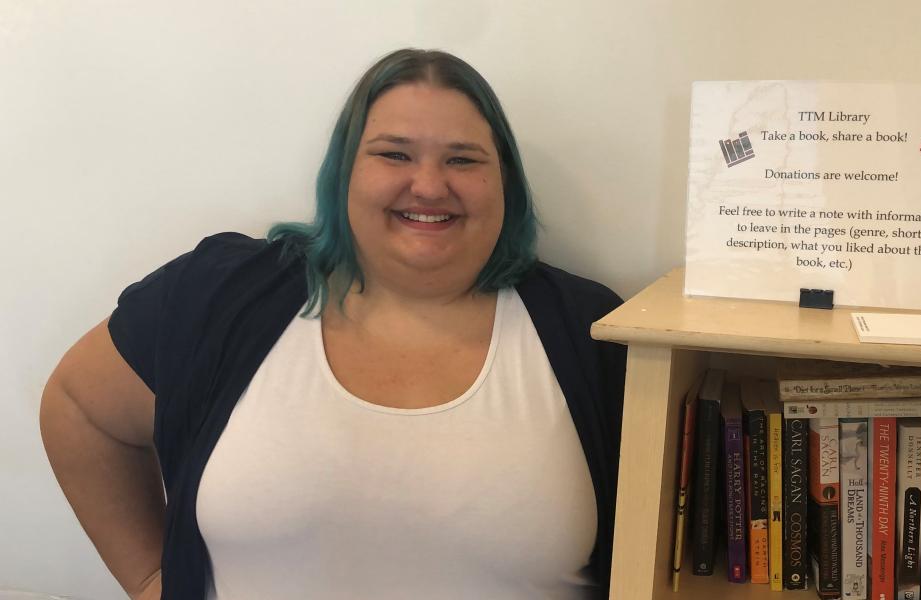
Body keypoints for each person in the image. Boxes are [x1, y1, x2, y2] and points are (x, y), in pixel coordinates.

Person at [40, 48, 626, 600]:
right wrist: (149, 578)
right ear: (344, 170)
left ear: (506, 182)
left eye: (463, 159)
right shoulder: (219, 294)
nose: (428, 184)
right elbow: (78, 407)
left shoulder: (594, 333)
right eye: (394, 153)